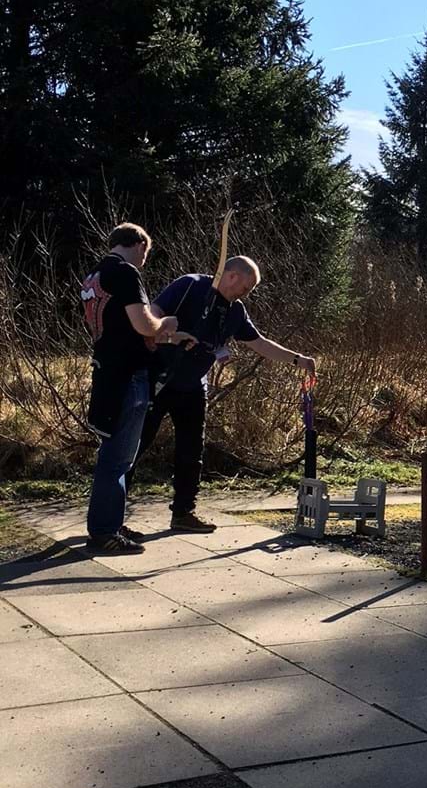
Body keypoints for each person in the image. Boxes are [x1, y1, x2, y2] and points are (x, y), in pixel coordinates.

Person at [131, 255, 316, 532]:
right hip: (158, 380)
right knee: (134, 446)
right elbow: (152, 313)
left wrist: (297, 359)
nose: (247, 293)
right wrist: (169, 334)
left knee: (192, 451)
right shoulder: (190, 285)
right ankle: (110, 516)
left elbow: (260, 343)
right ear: (231, 276)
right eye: (246, 287)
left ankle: (183, 513)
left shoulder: (235, 311)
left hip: (193, 386)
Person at [85, 223, 193, 553]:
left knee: (112, 455)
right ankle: (105, 531)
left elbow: (119, 327)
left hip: (106, 372)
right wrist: (166, 325)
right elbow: (143, 323)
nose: (145, 260)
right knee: (118, 459)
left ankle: (109, 522)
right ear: (138, 245)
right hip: (128, 377)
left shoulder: (94, 276)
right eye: (146, 252)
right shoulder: (126, 273)